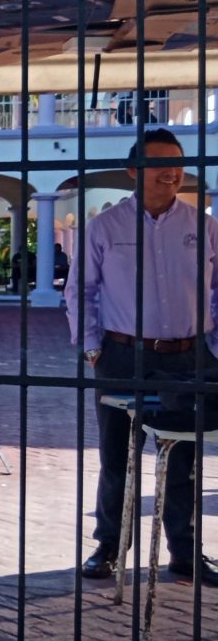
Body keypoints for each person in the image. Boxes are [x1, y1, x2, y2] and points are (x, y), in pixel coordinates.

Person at [65, 128, 218, 586]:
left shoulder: (204, 226)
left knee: (183, 458)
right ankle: (110, 547)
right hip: (121, 356)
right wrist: (92, 347)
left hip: (189, 359)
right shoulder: (105, 227)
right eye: (159, 164)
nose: (172, 172)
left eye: (178, 163)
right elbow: (81, 291)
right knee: (118, 456)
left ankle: (185, 553)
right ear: (134, 171)